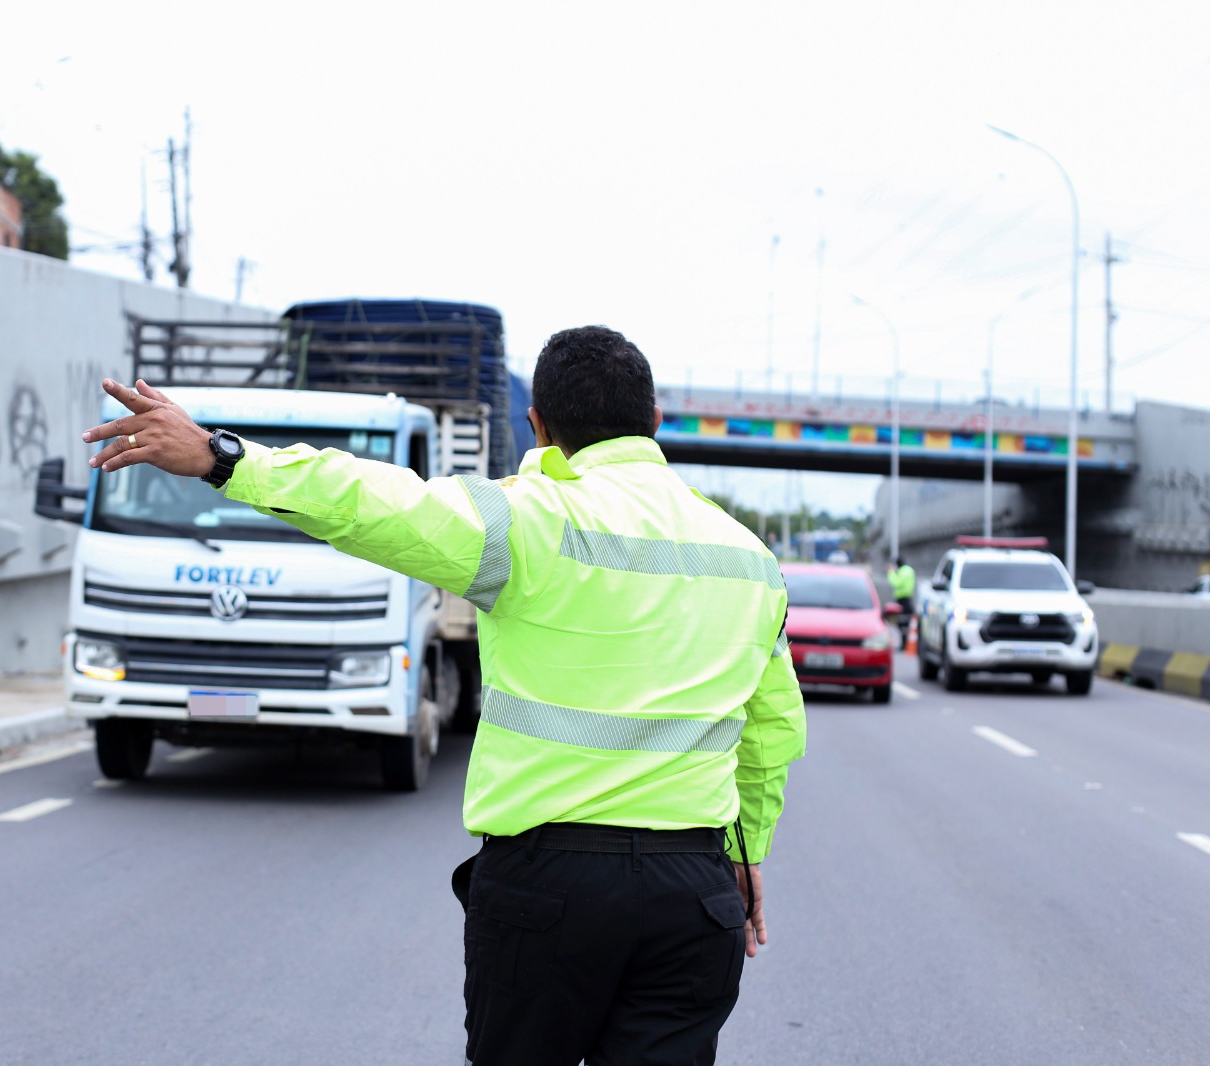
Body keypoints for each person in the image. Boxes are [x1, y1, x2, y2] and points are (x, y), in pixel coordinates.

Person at [81, 325, 807, 1066]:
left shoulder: (524, 521)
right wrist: (747, 854)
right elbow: (773, 729)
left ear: (539, 425)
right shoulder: (751, 561)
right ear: (655, 424)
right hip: (692, 894)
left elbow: (375, 502)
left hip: (548, 888)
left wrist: (220, 458)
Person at [887, 555, 916, 623]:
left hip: (901, 597)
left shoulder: (902, 571)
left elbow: (896, 583)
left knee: (901, 617)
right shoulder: (909, 570)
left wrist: (890, 572)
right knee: (910, 615)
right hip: (909, 595)